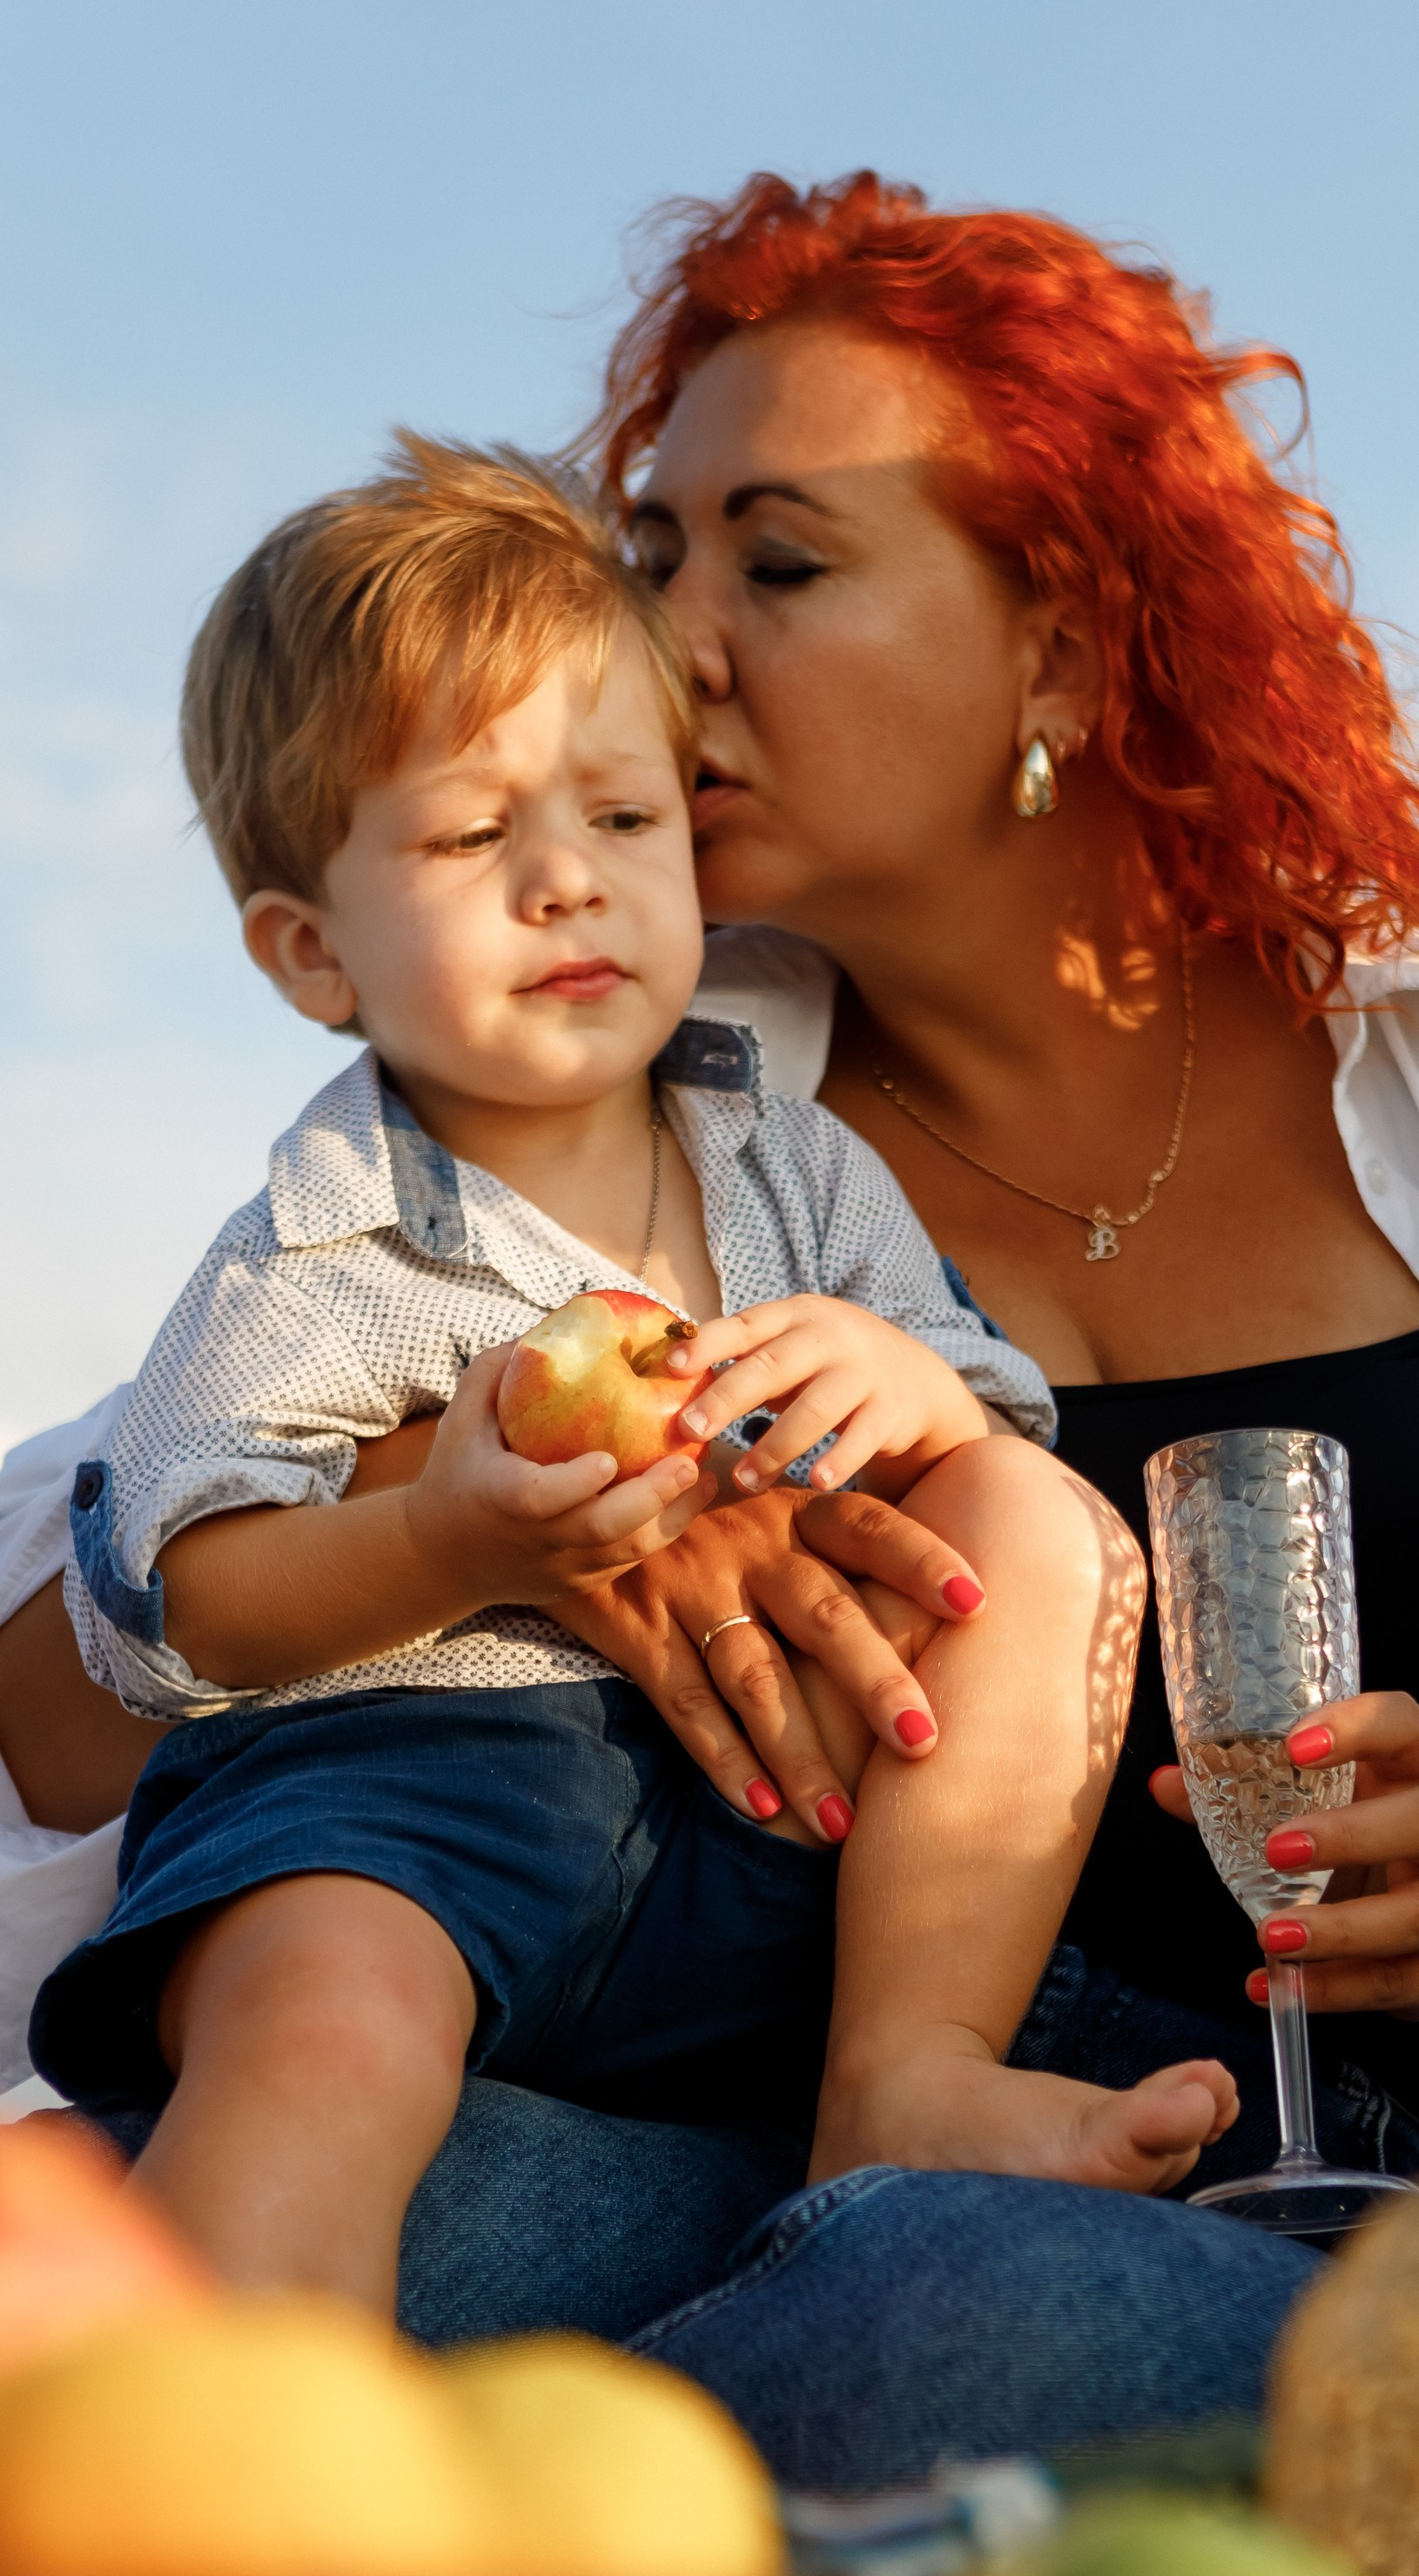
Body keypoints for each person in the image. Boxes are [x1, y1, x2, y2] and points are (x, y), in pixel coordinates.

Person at [4, 173, 1419, 2488]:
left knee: (980, 2306)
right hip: (676, 2151)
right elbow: (55, 1697)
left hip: (1211, 2194)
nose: (666, 648)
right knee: (213, 2194)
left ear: (1062, 648)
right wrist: (464, 1519)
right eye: (648, 555)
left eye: (774, 563)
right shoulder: (592, 1094)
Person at [25, 430, 1234, 2312]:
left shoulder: (798, 1166)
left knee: (1043, 1513)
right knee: (320, 2031)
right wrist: (443, 1538)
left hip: (760, 1847)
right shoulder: (317, 1242)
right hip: (393, 1797)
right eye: (466, 835)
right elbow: (159, 1602)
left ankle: (901, 2069)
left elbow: (977, 1422)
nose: (564, 882)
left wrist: (909, 1388)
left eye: (620, 818)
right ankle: (229, 2488)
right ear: (308, 954)